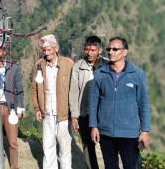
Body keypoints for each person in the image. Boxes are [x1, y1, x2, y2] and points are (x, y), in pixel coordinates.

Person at [89, 37, 151, 169]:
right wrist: (94, 126)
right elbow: (94, 103)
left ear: (125, 52)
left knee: (131, 166)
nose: (110, 52)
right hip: (105, 132)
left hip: (129, 133)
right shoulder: (100, 74)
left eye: (115, 49)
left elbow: (143, 104)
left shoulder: (137, 75)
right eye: (109, 49)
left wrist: (145, 131)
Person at [32, 34, 74, 169]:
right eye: (45, 50)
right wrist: (37, 108)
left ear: (56, 48)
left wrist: (74, 112)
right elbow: (34, 88)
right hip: (47, 112)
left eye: (49, 50)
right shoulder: (39, 64)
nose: (47, 53)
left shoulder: (68, 64)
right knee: (48, 146)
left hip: (63, 114)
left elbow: (75, 89)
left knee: (65, 147)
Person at [68, 36, 108, 169]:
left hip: (103, 115)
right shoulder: (78, 66)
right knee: (87, 146)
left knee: (107, 147)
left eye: (93, 50)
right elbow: (73, 91)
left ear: (100, 50)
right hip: (84, 114)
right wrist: (74, 115)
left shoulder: (107, 65)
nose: (89, 53)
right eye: (87, 50)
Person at [0, 44, 25, 169]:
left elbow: (19, 89)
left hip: (10, 108)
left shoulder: (14, 67)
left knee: (12, 141)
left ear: (5, 51)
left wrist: (20, 109)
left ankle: (14, 166)